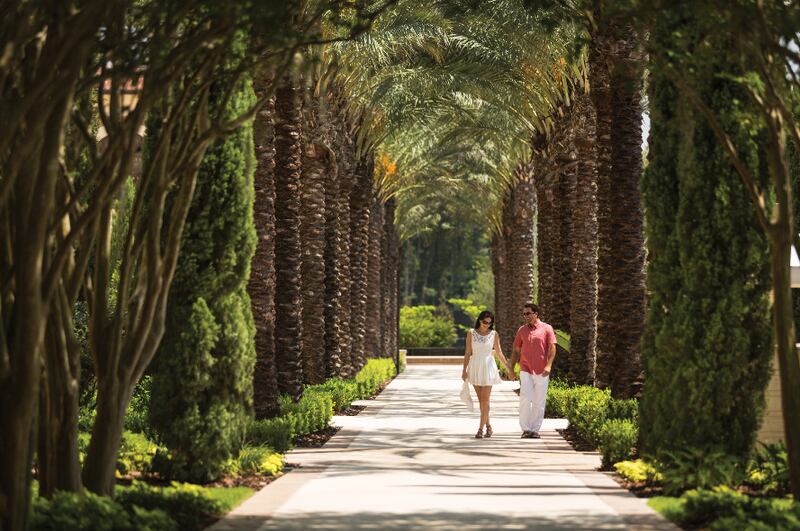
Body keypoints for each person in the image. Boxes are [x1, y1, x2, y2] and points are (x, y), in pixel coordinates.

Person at [461, 310, 512, 438]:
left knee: (485, 401)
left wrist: (509, 368)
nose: (487, 325)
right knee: (481, 401)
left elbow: (499, 353)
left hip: (488, 367)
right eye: (485, 322)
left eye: (490, 323)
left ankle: (480, 429)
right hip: (475, 367)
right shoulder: (471, 333)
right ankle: (489, 426)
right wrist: (464, 370)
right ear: (479, 320)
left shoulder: (494, 334)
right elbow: (467, 353)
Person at [510, 303, 556, 439]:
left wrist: (549, 366)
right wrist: (511, 369)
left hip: (542, 370)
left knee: (539, 400)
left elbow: (552, 348)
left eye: (528, 313)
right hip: (526, 369)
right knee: (525, 397)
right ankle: (526, 429)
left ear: (536, 313)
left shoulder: (547, 329)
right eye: (524, 314)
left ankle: (535, 429)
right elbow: (516, 350)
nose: (526, 316)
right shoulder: (522, 330)